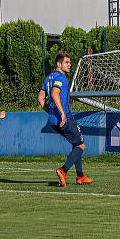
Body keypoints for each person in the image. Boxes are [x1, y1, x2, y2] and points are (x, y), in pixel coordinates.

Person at [38, 51, 93, 187]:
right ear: (59, 64)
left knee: (76, 144)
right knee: (81, 146)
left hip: (53, 120)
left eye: (69, 62)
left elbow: (40, 98)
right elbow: (54, 93)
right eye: (66, 62)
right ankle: (63, 170)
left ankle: (80, 176)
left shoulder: (48, 78)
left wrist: (52, 112)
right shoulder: (61, 77)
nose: (70, 65)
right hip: (65, 118)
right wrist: (61, 113)